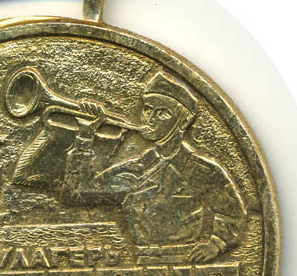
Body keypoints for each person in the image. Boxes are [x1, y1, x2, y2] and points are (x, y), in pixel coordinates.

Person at [60, 72, 246, 263]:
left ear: (183, 122)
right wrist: (85, 135)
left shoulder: (203, 170)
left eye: (162, 113)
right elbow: (76, 195)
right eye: (147, 110)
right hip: (143, 262)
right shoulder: (138, 167)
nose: (150, 119)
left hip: (187, 263)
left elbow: (234, 213)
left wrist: (217, 243)